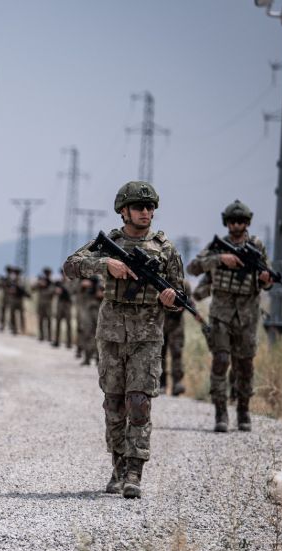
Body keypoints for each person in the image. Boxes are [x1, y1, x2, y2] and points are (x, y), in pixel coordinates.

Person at [63, 181, 185, 499]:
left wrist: (172, 298)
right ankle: (117, 466)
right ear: (124, 211)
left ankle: (134, 471)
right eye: (139, 207)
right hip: (112, 334)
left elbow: (179, 293)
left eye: (150, 208)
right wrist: (106, 264)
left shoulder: (165, 248)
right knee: (114, 403)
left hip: (147, 335)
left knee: (139, 403)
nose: (146, 213)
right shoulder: (110, 243)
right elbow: (71, 266)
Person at [186, 199, 273, 432]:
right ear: (227, 223)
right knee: (221, 361)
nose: (237, 225)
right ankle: (220, 412)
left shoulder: (257, 247)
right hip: (221, 315)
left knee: (245, 365)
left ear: (248, 223)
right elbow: (193, 267)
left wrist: (266, 280)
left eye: (242, 221)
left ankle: (243, 410)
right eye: (233, 221)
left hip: (248, 315)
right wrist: (219, 259)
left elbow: (267, 279)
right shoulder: (217, 246)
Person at [159, 278, 193, 396]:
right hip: (161, 322)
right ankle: (161, 383)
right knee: (160, 353)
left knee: (176, 352)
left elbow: (190, 302)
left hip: (176, 324)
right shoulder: (160, 278)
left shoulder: (185, 284)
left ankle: (177, 383)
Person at [76, 276, 103, 365]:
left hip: (98, 313)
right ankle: (87, 358)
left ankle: (98, 358)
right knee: (87, 334)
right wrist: (84, 285)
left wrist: (101, 291)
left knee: (98, 336)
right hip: (87, 313)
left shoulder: (100, 282)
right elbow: (77, 292)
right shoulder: (84, 283)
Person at [5, 266, 29, 336]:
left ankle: (22, 329)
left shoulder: (21, 281)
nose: (16, 274)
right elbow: (8, 289)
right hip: (13, 299)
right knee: (12, 315)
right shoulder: (12, 281)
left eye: (17, 273)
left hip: (19, 299)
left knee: (21, 314)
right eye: (15, 273)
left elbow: (24, 291)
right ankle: (14, 328)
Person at [52, 274, 74, 349]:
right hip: (60, 304)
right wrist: (57, 290)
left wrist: (63, 289)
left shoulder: (70, 283)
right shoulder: (59, 283)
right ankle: (56, 341)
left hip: (67, 304)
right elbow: (54, 291)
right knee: (58, 323)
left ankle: (69, 343)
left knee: (68, 324)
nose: (63, 276)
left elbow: (71, 292)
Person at [34, 268, 54, 342]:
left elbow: (52, 292)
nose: (46, 275)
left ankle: (49, 337)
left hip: (48, 305)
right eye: (45, 274)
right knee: (41, 321)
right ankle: (41, 336)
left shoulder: (51, 283)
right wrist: (39, 283)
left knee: (48, 321)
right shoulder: (41, 283)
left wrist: (45, 286)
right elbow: (32, 288)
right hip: (41, 304)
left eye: (47, 274)